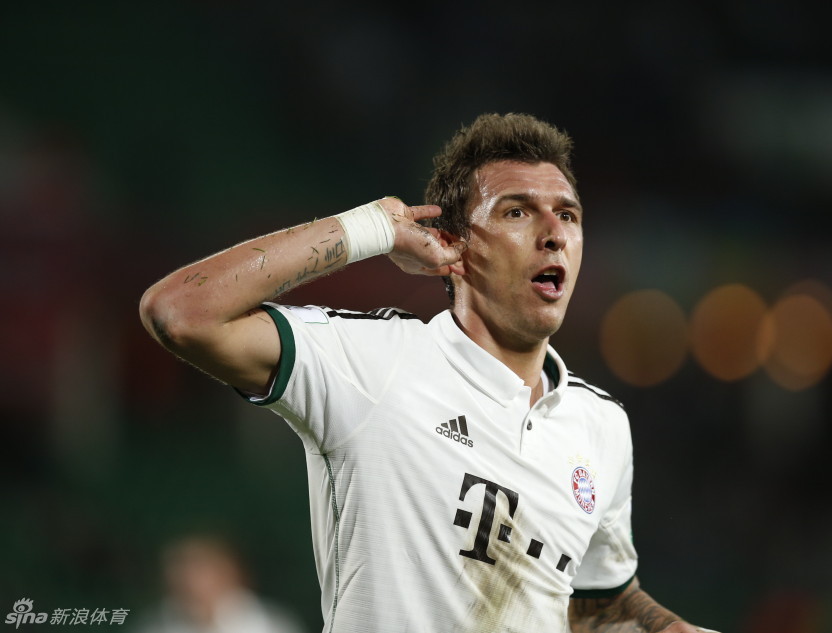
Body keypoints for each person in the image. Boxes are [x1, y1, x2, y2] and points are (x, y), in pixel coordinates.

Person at [140, 113, 718, 633]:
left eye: (567, 214)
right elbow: (181, 313)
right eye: (517, 211)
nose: (553, 232)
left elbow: (601, 606)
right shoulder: (373, 363)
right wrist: (374, 228)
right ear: (451, 244)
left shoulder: (602, 426)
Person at [135, 535, 307, 633]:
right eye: (178, 566)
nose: (187, 579)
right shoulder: (153, 626)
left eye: (199, 566)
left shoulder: (272, 624)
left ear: (229, 570)